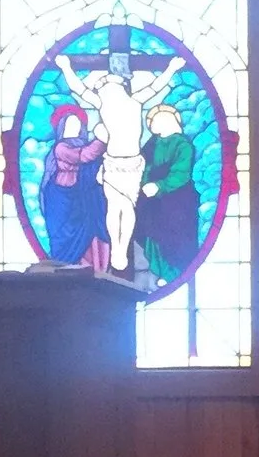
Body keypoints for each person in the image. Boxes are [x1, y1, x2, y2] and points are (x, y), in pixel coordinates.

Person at [58, 44, 182, 275]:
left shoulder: (135, 101)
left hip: (132, 165)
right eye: (104, 86)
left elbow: (156, 86)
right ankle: (117, 248)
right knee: (115, 207)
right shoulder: (104, 104)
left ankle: (121, 248)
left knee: (126, 206)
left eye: (109, 85)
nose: (106, 88)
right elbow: (78, 88)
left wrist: (172, 69)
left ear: (121, 87)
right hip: (113, 163)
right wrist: (66, 67)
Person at [134, 103, 202, 284]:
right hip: (154, 202)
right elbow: (143, 164)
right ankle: (160, 271)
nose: (152, 125)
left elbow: (181, 173)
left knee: (175, 238)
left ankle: (173, 274)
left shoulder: (183, 144)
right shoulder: (153, 143)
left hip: (178, 201)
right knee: (152, 234)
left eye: (155, 120)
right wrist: (144, 183)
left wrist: (159, 186)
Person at [38, 104, 108, 269]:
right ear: (62, 127)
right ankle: (63, 269)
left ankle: (91, 268)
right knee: (64, 238)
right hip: (62, 197)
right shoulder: (61, 147)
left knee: (88, 232)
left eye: (77, 124)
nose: (74, 127)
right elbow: (83, 156)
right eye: (70, 123)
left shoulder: (85, 144)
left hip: (83, 195)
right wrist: (101, 141)